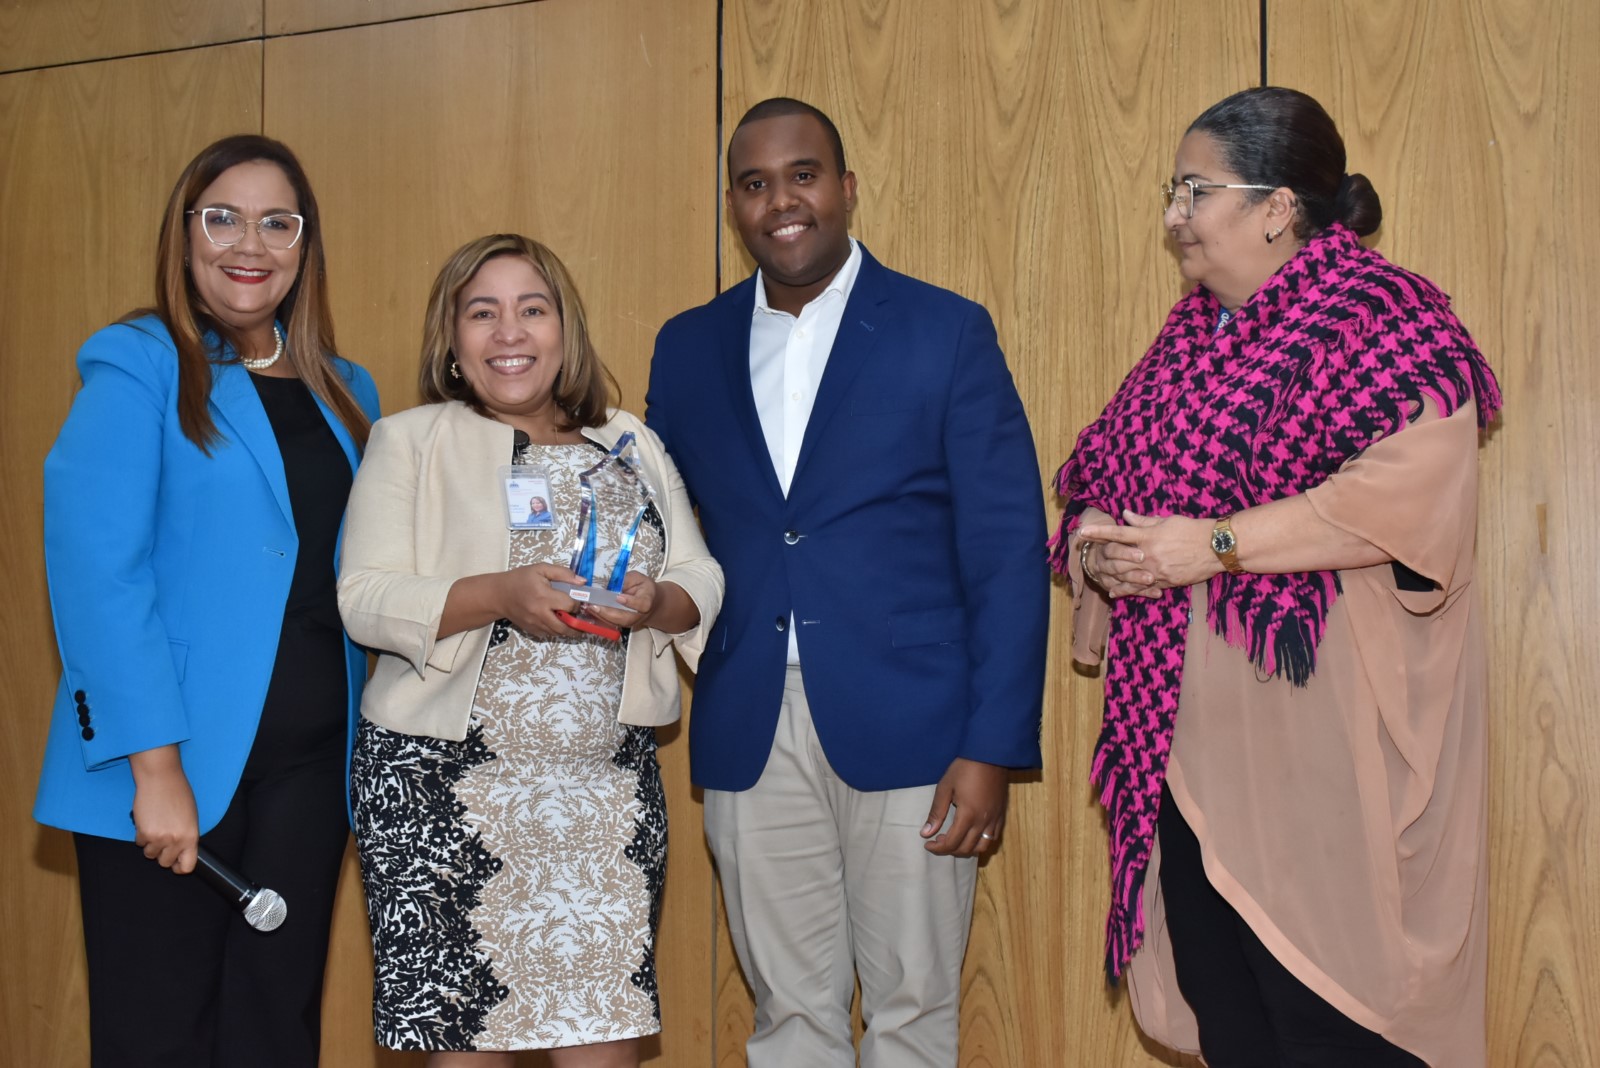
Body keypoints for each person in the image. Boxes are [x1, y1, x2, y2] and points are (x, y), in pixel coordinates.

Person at [1054, 87, 1501, 1067]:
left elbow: (1395, 498)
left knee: (1338, 1030)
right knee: (1234, 1028)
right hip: (1184, 756)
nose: (1173, 216)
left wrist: (1208, 546)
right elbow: (1098, 478)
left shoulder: (1386, 318)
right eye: (1172, 191)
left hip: (1325, 773)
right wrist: (1102, 546)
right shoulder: (1187, 343)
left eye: (1193, 190)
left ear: (1276, 208)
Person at [646, 98, 1049, 1066]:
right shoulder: (686, 346)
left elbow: (1004, 547)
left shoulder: (945, 330)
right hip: (747, 719)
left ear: (846, 188)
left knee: (913, 1011)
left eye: (803, 174)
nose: (780, 200)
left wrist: (992, 743)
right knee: (789, 1016)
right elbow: (663, 528)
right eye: (753, 183)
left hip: (916, 726)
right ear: (733, 206)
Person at [33, 134, 381, 1067]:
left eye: (278, 222)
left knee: (276, 1031)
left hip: (311, 776)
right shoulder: (138, 362)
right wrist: (155, 770)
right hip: (168, 766)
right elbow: (97, 571)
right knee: (160, 1037)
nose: (249, 244)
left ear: (305, 245)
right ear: (184, 234)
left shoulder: (348, 392)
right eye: (221, 217)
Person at [338, 234, 722, 1068]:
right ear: (453, 338)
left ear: (563, 329)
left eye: (531, 309)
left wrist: (658, 603)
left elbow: (699, 569)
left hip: (602, 797)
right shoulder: (409, 441)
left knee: (605, 1046)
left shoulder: (629, 441)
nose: (508, 332)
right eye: (483, 313)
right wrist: (497, 596)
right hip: (437, 790)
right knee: (466, 1051)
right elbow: (362, 597)